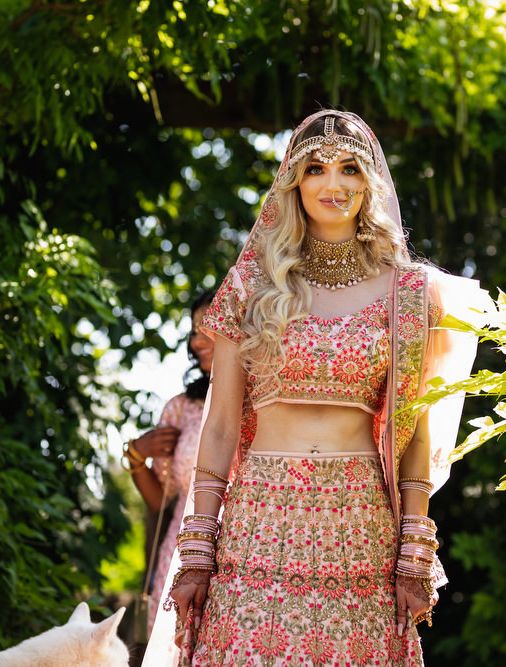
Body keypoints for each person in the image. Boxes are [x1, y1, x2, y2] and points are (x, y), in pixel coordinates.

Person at [145, 110, 485, 666]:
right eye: (316, 169)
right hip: (259, 522)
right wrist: (199, 550)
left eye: (350, 168)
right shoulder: (253, 286)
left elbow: (416, 429)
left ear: (370, 181)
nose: (334, 184)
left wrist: (414, 550)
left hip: (359, 525)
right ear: (294, 182)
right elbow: (222, 425)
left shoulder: (411, 292)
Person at [122, 291, 214, 638]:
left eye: (207, 329)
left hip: (245, 544)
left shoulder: (266, 400)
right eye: (193, 331)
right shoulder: (182, 408)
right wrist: (135, 454)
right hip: (181, 550)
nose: (197, 341)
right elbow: (161, 500)